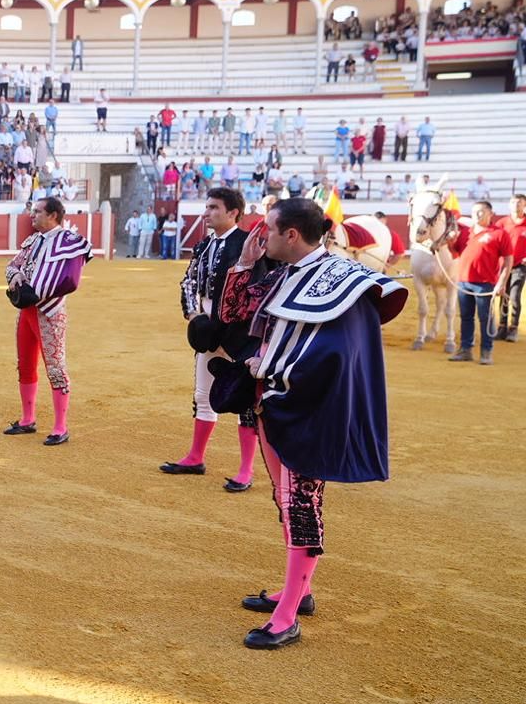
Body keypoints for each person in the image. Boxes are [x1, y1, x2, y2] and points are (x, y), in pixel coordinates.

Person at [216, 198, 407, 649]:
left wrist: (267, 365)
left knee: (302, 504)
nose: (262, 237)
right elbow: (232, 315)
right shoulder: (286, 273)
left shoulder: (345, 283)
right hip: (276, 403)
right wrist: (243, 267)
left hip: (311, 408)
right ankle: (298, 592)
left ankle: (287, 617)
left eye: (269, 231)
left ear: (292, 236)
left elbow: (337, 355)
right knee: (287, 500)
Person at [160, 188, 258, 491]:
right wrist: (195, 318)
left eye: (214, 207)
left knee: (245, 402)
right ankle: (195, 457)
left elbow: (255, 291)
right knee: (203, 395)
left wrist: (228, 325)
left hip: (240, 337)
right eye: (206, 207)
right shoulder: (202, 246)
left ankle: (246, 470)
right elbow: (188, 281)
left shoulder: (249, 244)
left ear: (233, 213)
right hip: (206, 332)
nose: (206, 212)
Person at [4, 198, 91, 445]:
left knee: (55, 366)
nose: (32, 216)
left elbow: (70, 280)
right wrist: (17, 275)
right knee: (25, 364)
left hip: (50, 312)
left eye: (38, 212)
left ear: (53, 215)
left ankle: (60, 426)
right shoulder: (32, 241)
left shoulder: (70, 242)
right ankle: (27, 418)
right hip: (27, 312)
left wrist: (38, 291)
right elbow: (11, 266)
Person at [449, 201, 513, 366]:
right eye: (475, 211)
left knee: (485, 318)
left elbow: (508, 260)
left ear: (490, 213)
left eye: (482, 211)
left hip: (485, 283)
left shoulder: (499, 234)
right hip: (463, 281)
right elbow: (454, 250)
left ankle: (486, 351)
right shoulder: (465, 232)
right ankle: (465, 349)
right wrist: (449, 241)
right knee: (466, 317)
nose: (477, 214)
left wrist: (501, 283)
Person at [501, 194, 526, 343]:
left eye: (519, 202)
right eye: (513, 202)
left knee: (515, 296)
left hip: (520, 265)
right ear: (509, 205)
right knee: (503, 294)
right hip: (503, 265)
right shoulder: (503, 222)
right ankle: (501, 326)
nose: (516, 205)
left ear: (524, 205)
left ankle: (513, 328)